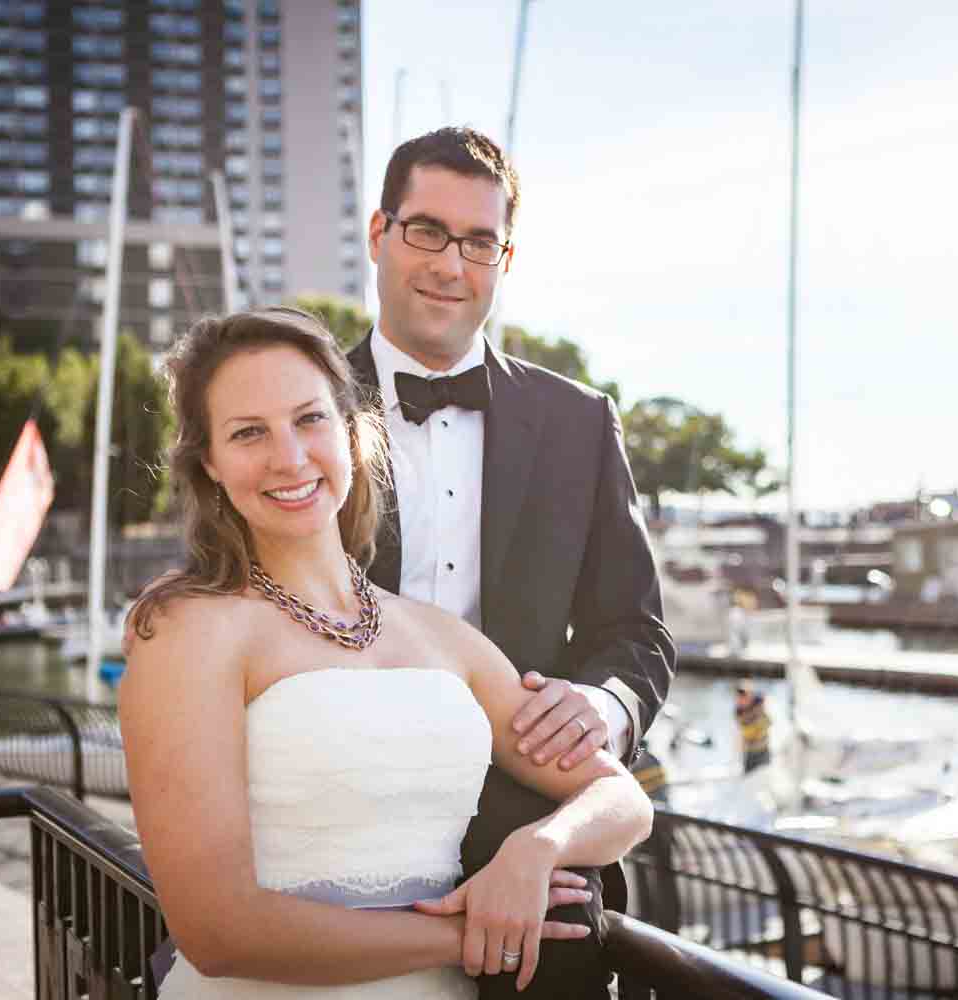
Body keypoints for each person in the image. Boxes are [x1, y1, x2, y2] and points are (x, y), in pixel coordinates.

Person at [118, 307, 654, 997]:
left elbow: (620, 797)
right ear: (211, 466)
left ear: (351, 435)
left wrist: (540, 847)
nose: (289, 456)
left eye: (309, 420)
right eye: (249, 433)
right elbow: (217, 931)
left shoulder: (439, 637)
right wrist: (468, 934)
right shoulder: (189, 632)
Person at [346, 126, 675, 998]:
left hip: (539, 870)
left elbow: (635, 632)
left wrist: (602, 707)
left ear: (505, 257)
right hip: (338, 842)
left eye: (479, 242)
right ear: (379, 233)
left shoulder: (579, 421)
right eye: (426, 231)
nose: (452, 265)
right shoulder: (301, 412)